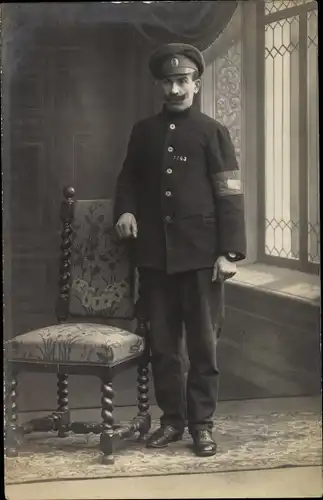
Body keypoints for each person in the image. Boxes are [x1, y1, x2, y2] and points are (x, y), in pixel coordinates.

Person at [114, 43, 246, 457]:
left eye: (182, 80)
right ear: (160, 85)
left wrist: (230, 253)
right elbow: (128, 179)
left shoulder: (212, 132)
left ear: (196, 83)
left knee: (204, 347)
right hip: (154, 257)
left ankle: (201, 425)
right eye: (168, 81)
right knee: (164, 348)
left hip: (202, 257)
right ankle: (172, 421)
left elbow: (229, 195)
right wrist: (126, 211)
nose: (175, 88)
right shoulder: (143, 131)